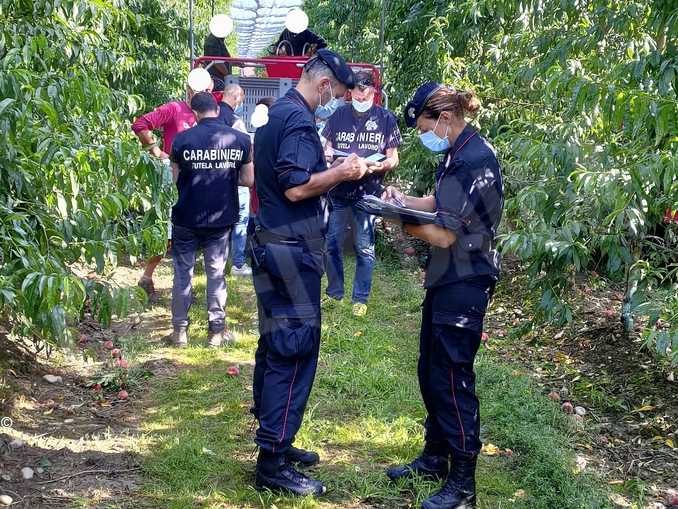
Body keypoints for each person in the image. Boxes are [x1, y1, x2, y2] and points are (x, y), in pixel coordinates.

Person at [250, 48, 367, 496]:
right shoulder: (298, 119)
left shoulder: (276, 113)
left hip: (268, 241)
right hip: (290, 249)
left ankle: (275, 438)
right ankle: (273, 461)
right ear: (323, 85)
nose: (335, 101)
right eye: (336, 93)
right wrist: (340, 171)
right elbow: (296, 186)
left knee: (274, 340)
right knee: (293, 349)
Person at [382, 83, 503, 509]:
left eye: (423, 126)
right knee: (431, 367)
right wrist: (402, 199)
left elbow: (444, 232)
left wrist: (396, 219)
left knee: (452, 375)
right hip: (446, 278)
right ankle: (435, 457)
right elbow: (439, 202)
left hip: (465, 279)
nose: (423, 134)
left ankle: (463, 483)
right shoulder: (458, 150)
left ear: (444, 119)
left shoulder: (473, 158)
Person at [169, 92, 254, 348]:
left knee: (182, 274)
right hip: (220, 218)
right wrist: (226, 176)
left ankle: (180, 333)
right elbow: (249, 180)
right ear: (217, 109)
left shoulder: (181, 140)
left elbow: (176, 180)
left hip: (186, 216)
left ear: (194, 113)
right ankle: (216, 333)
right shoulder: (240, 139)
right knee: (216, 274)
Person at [322, 70, 402, 316]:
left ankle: (360, 299)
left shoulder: (386, 118)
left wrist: (379, 165)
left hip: (369, 192)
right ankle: (335, 293)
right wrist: (331, 162)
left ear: (374, 91)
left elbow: (393, 158)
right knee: (332, 244)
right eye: (356, 90)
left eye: (365, 90)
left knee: (364, 247)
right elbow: (326, 148)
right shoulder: (338, 115)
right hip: (339, 191)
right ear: (350, 91)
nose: (360, 94)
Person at [131, 73, 212, 297]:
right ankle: (147, 278)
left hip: (198, 180)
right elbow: (140, 124)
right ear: (187, 89)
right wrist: (157, 151)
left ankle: (184, 285)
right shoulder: (175, 109)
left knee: (193, 230)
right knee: (168, 231)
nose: (197, 94)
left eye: (202, 91)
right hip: (174, 178)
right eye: (194, 90)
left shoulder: (208, 113)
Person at [215, 84, 251, 276]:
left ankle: (216, 261)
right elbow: (246, 147)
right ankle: (237, 264)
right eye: (241, 100)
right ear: (237, 98)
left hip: (213, 178)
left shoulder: (210, 116)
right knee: (240, 220)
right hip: (236, 179)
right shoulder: (236, 121)